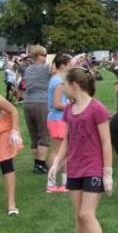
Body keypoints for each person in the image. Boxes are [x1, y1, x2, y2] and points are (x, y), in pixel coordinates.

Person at [48, 67, 113, 233]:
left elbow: (106, 142)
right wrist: (57, 162)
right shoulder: (69, 110)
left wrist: (108, 174)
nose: (62, 87)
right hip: (74, 168)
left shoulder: (97, 109)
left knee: (87, 214)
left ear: (74, 85)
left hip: (93, 168)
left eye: (64, 84)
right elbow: (67, 139)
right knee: (79, 215)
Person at [23, 45, 51, 174]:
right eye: (45, 55)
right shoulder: (45, 69)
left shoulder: (28, 69)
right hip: (41, 103)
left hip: (27, 103)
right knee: (43, 135)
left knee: (34, 136)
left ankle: (37, 163)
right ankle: (40, 165)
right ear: (38, 56)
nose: (46, 57)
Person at [46, 53, 72, 192]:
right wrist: (72, 105)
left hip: (57, 119)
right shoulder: (58, 82)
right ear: (63, 65)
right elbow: (57, 104)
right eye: (69, 64)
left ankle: (64, 183)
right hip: (57, 119)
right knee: (57, 152)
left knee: (62, 152)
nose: (71, 67)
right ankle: (51, 184)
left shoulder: (56, 79)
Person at [0, 94, 23, 215]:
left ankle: (11, 204)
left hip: (3, 132)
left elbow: (13, 110)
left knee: (6, 164)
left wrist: (14, 131)